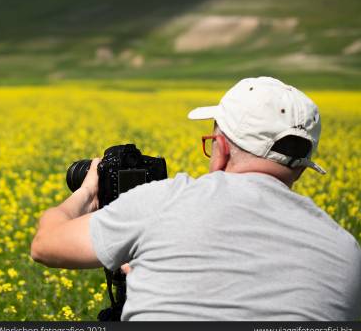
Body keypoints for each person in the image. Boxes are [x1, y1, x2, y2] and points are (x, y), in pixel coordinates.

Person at [30, 76, 361, 320]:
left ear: (222, 149)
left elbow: (45, 244)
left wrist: (89, 191)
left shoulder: (165, 202)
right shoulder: (347, 252)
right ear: (302, 169)